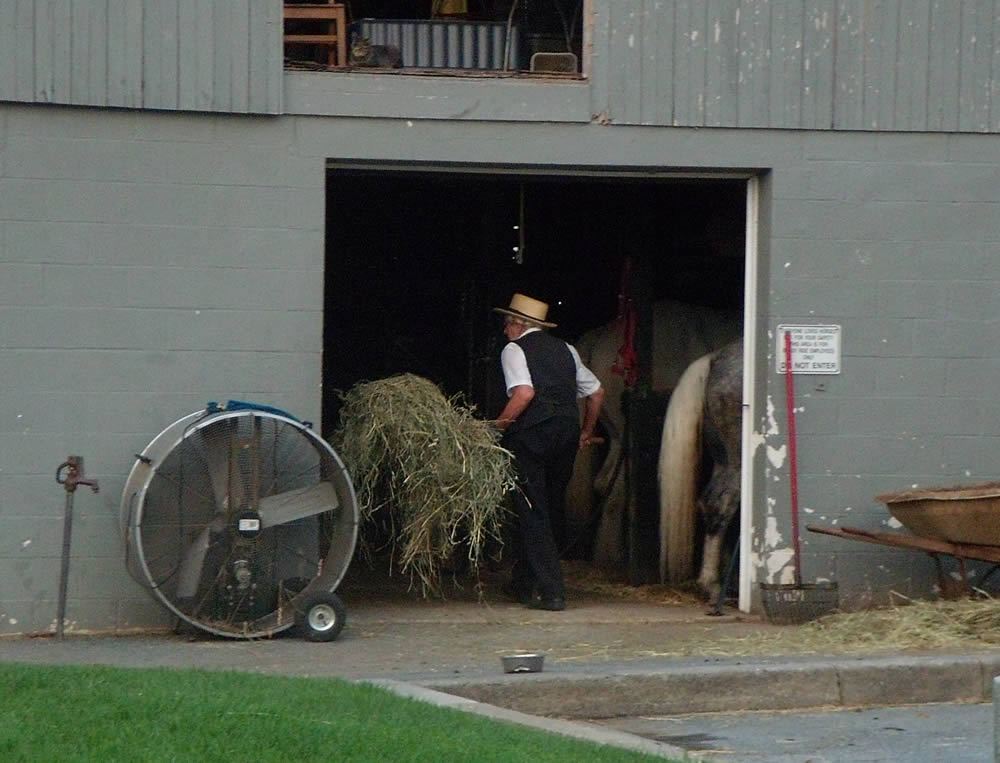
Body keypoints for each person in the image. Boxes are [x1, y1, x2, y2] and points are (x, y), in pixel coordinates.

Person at [491, 292, 605, 611]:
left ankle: (552, 591)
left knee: (532, 511)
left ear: (517, 324)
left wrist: (497, 426)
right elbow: (597, 393)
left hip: (532, 436)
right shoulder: (567, 350)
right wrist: (586, 431)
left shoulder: (514, 349)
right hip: (566, 436)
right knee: (549, 508)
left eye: (506, 324)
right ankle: (523, 581)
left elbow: (525, 393)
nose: (504, 330)